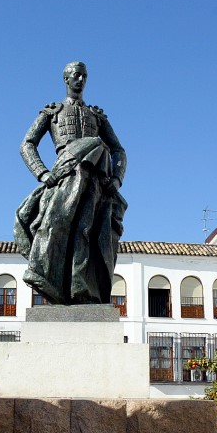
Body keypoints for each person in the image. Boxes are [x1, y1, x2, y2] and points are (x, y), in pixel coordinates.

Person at [15, 61, 127, 304]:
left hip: (95, 182)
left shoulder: (96, 116)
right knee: (57, 225)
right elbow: (27, 144)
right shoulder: (52, 112)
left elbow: (118, 150)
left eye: (84, 75)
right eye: (75, 75)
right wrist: (43, 174)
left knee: (86, 232)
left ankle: (82, 288)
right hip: (64, 175)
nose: (80, 79)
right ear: (65, 79)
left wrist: (117, 179)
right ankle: (50, 279)